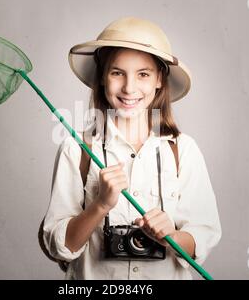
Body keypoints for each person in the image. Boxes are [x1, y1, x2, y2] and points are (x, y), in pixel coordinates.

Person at [43, 17, 221, 279]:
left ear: (159, 79)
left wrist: (170, 236)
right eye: (117, 73)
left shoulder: (183, 150)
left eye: (143, 74)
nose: (129, 87)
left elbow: (203, 236)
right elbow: (60, 247)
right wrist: (100, 205)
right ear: (103, 77)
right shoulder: (77, 149)